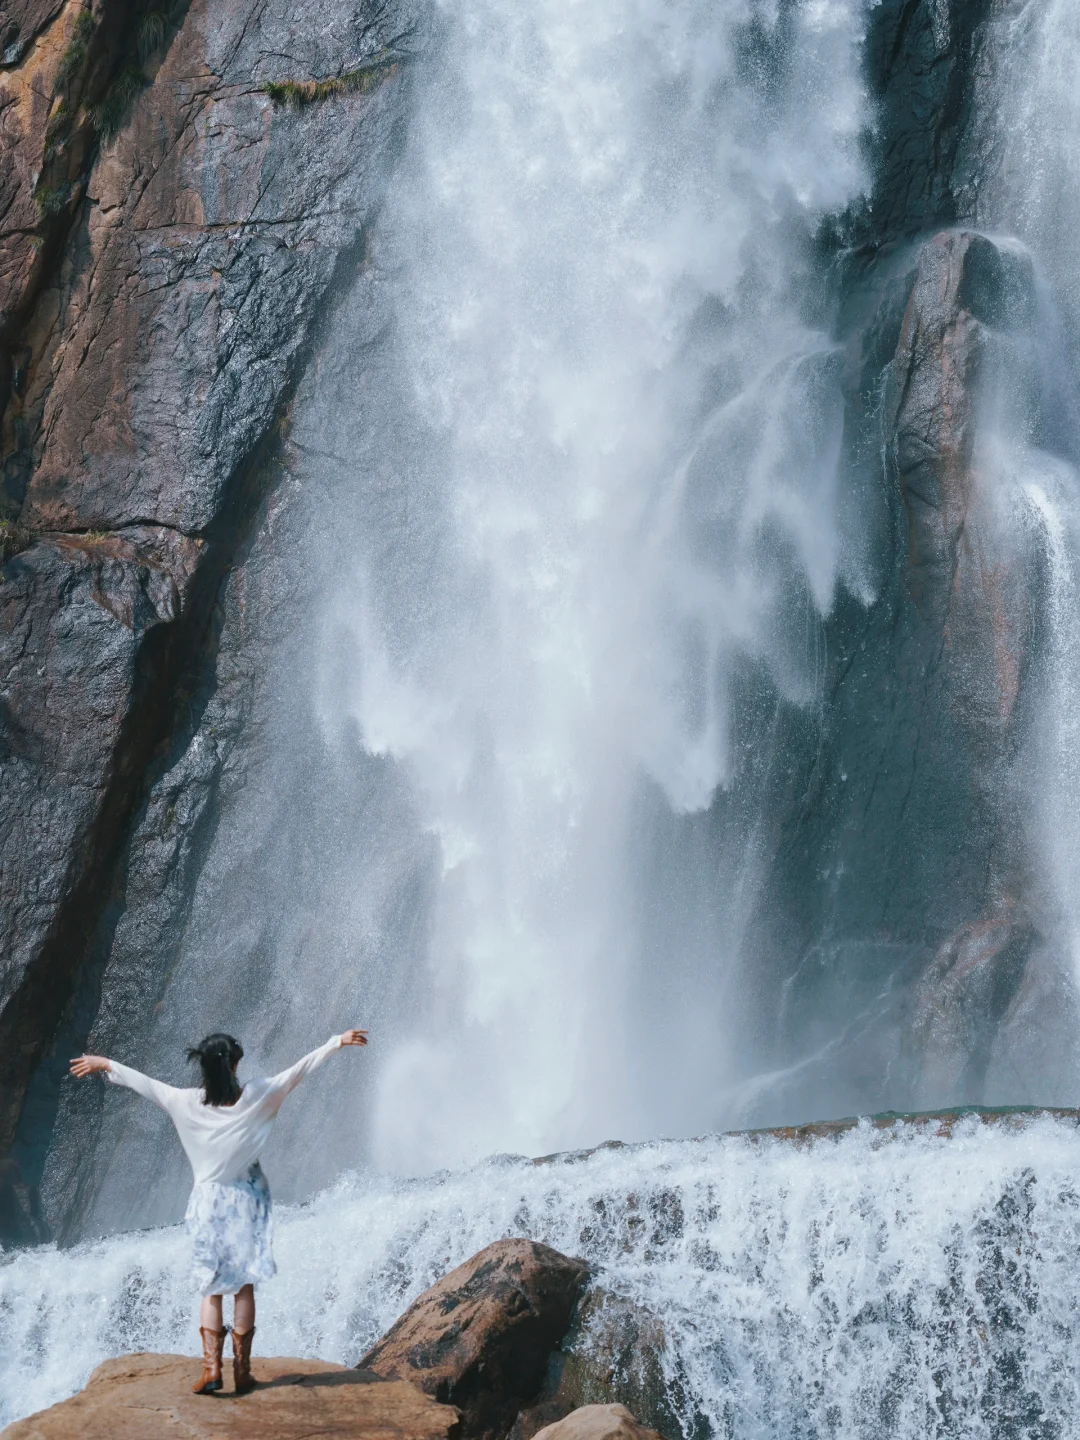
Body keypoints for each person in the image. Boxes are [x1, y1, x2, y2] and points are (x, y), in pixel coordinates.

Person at [70, 1027, 368, 1395]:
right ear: (236, 1064)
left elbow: (143, 1084)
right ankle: (242, 1372)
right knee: (244, 1287)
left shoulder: (183, 1100)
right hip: (247, 1202)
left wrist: (105, 1064)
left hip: (208, 1204)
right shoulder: (259, 1095)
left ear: (204, 1068)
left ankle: (212, 1370)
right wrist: (336, 1042)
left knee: (211, 1291)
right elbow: (298, 1071)